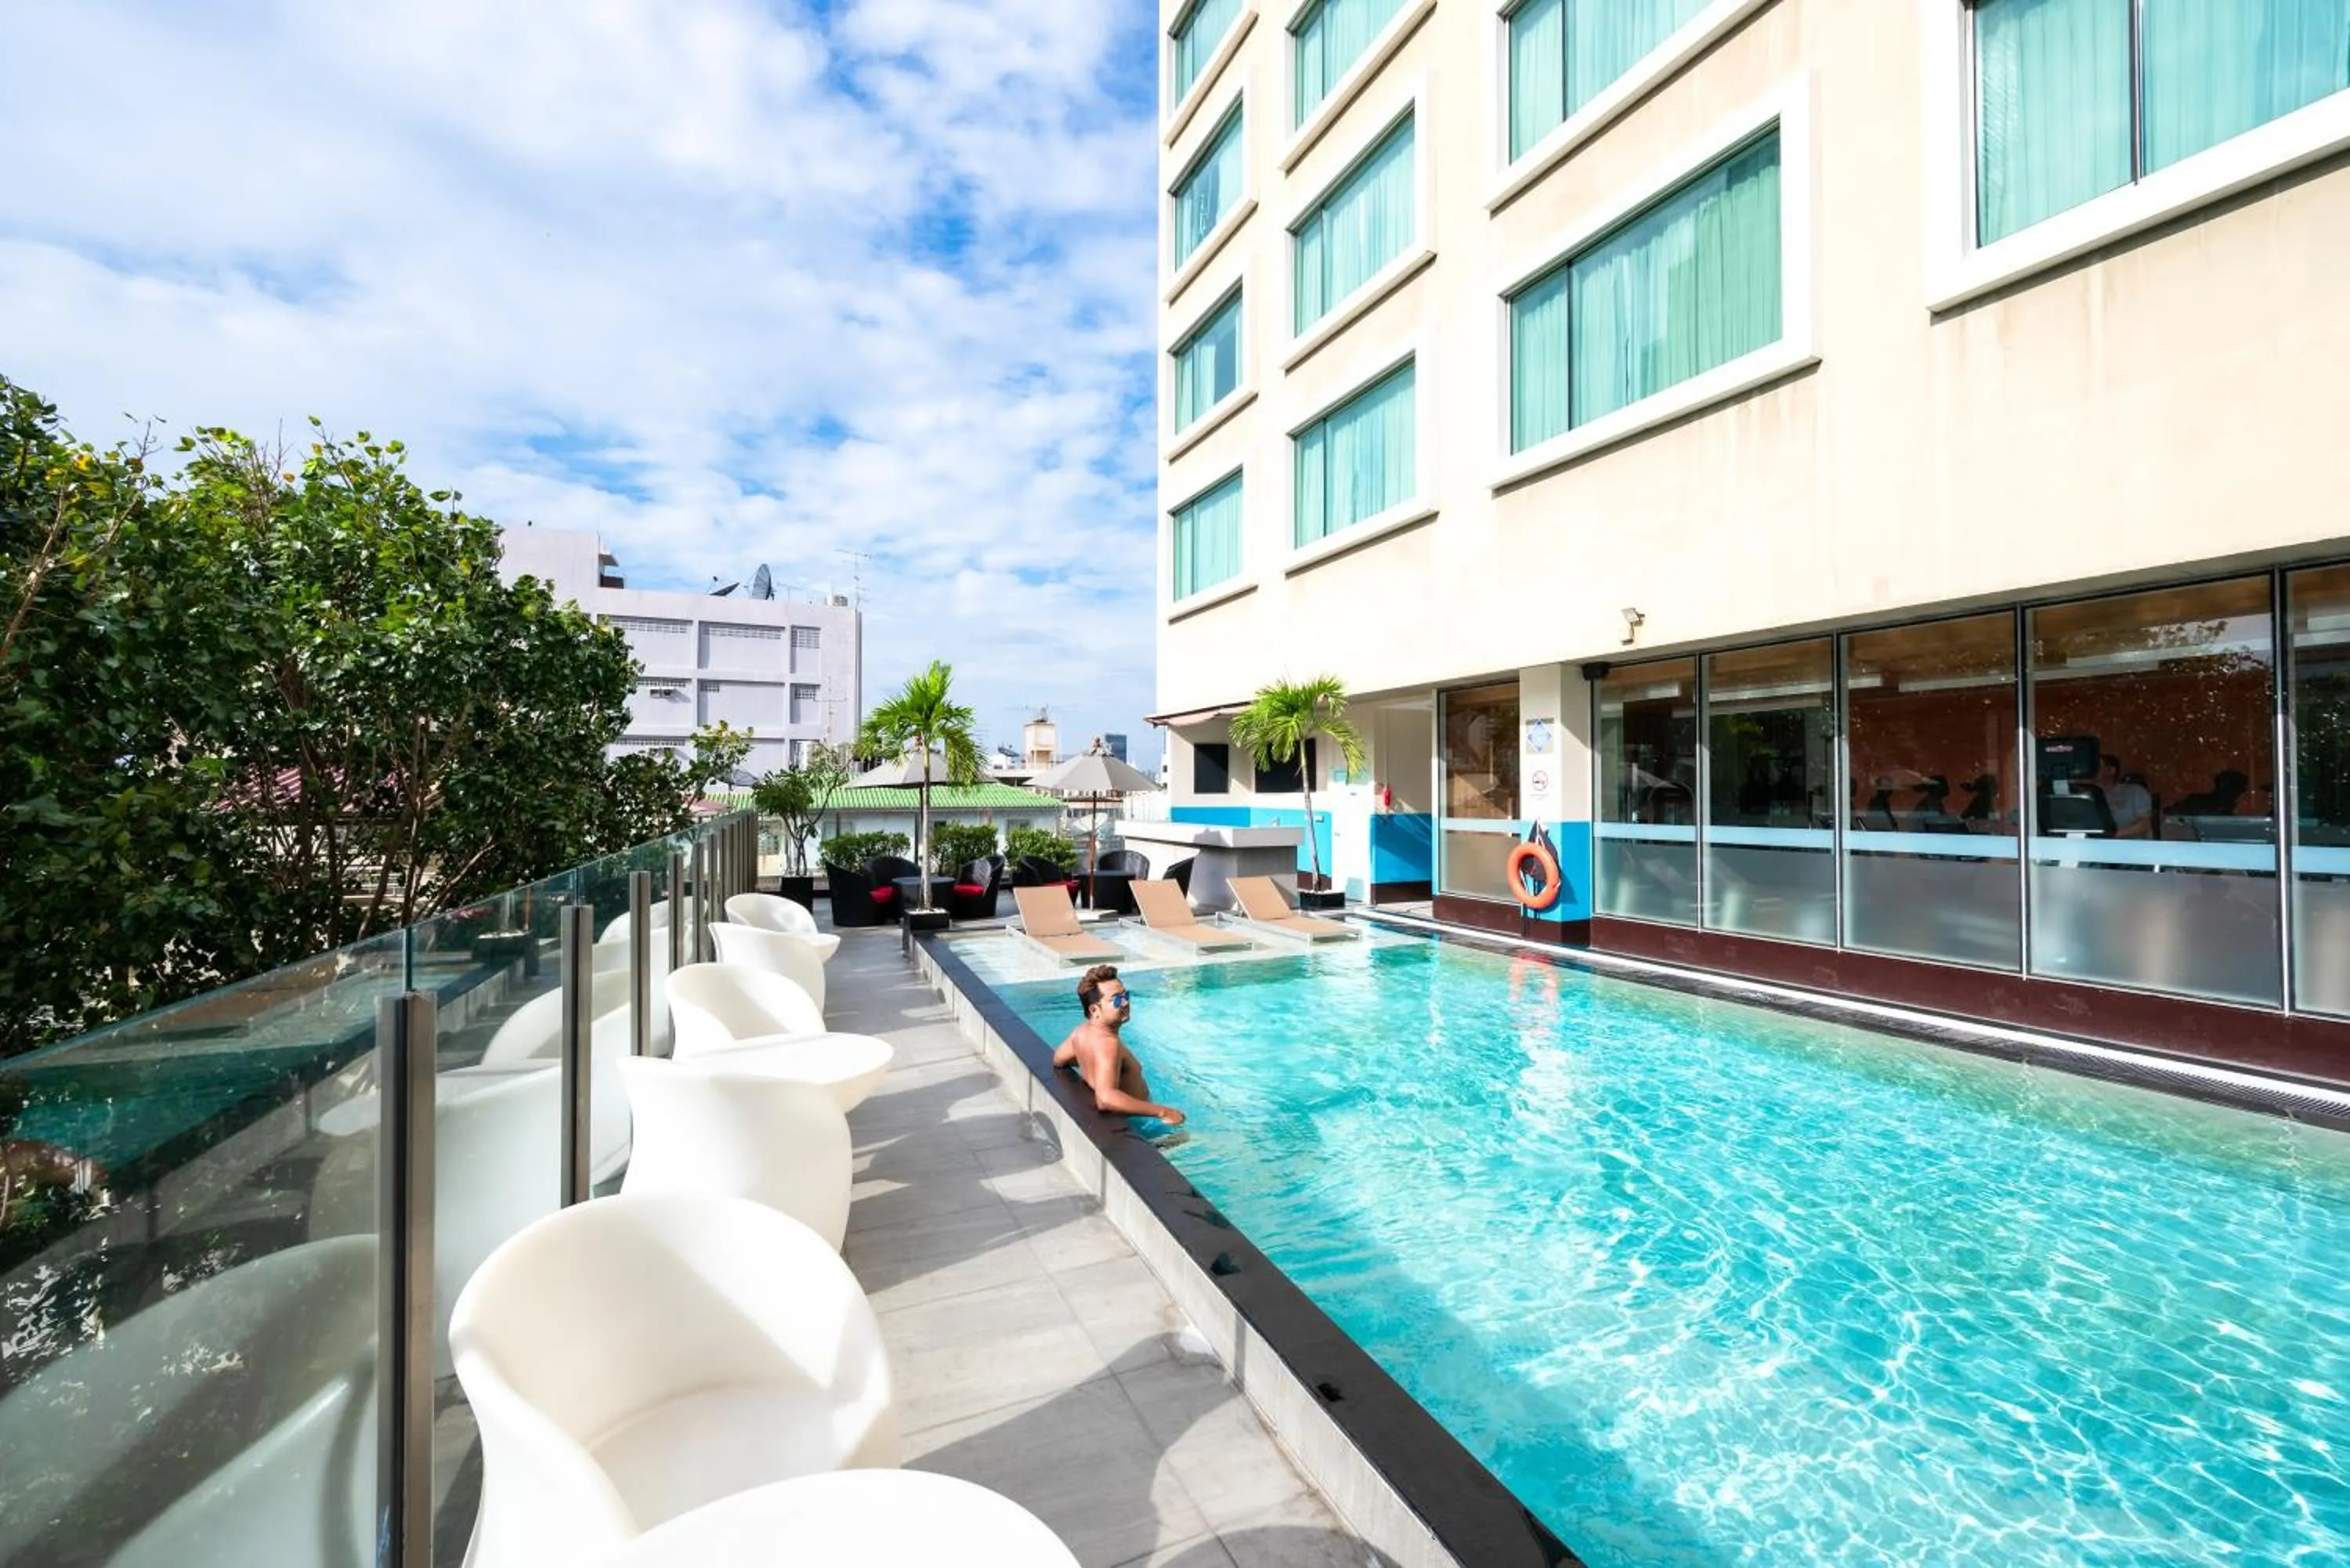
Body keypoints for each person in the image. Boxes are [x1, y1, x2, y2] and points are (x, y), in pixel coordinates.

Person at [1052, 966, 1184, 1125]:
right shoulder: (1108, 1044)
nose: (1125, 1002)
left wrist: (1092, 1063)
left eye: (1125, 995)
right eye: (1116, 999)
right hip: (1139, 1127)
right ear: (1094, 1010)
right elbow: (1105, 1098)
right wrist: (1164, 1112)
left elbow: (1058, 1059)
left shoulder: (1080, 1033)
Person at [2100, 754, 2153, 837]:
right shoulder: (2085, 794)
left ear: (2112, 770)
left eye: (2098, 767)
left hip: (2130, 846)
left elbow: (2145, 825)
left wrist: (2114, 835)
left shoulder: (2135, 791)